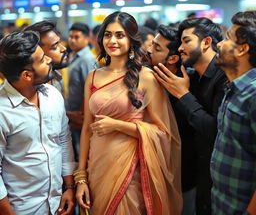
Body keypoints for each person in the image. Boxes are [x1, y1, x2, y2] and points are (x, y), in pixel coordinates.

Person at [75, 11, 182, 215]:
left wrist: (117, 125)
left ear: (131, 40)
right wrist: (81, 177)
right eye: (107, 35)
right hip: (97, 166)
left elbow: (163, 132)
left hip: (130, 169)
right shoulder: (93, 76)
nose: (112, 40)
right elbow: (86, 130)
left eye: (120, 35)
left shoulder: (146, 77)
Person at [153, 17, 227, 215]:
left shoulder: (224, 77)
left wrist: (183, 96)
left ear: (206, 42)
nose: (180, 49)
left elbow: (215, 131)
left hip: (221, 179)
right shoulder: (192, 77)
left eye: (187, 41)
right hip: (198, 174)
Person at [0, 31, 76, 215]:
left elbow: (63, 140)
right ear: (26, 75)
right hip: (23, 208)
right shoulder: (2, 110)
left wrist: (69, 187)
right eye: (42, 60)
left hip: (57, 203)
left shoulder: (52, 96)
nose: (49, 60)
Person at [211, 11, 256, 214]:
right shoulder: (235, 88)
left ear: (243, 49)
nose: (220, 44)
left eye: (227, 38)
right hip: (223, 203)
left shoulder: (253, 94)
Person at [151, 24, 197, 215]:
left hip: (182, 175)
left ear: (173, 58)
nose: (148, 50)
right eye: (152, 44)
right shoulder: (149, 79)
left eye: (156, 48)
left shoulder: (188, 86)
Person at [66, 22, 97, 161]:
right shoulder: (74, 56)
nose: (72, 40)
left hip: (81, 115)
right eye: (70, 37)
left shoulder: (87, 60)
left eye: (76, 37)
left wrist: (84, 116)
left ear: (86, 38)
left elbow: (90, 89)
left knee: (81, 152)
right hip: (73, 114)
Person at [25, 20, 69, 96]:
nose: (63, 48)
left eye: (60, 43)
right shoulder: (27, 89)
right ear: (38, 51)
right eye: (55, 46)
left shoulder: (57, 76)